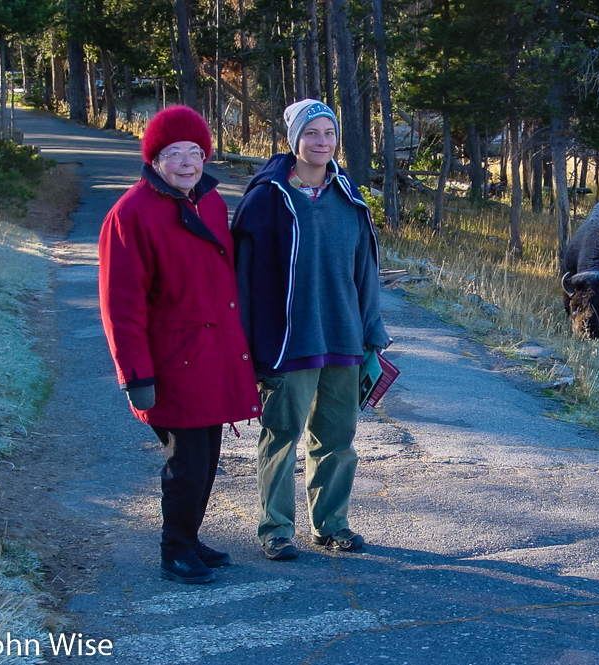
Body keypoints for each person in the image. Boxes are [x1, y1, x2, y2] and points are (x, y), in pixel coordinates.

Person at [98, 105, 261, 584]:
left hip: (214, 356)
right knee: (185, 462)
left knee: (206, 458)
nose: (188, 162)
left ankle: (188, 538)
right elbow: (120, 306)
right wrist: (135, 377)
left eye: (196, 151)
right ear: (155, 158)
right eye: (175, 153)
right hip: (171, 362)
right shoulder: (130, 214)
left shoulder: (209, 202)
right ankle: (174, 551)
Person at [232, 99, 390, 561]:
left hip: (343, 338)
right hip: (287, 342)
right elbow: (242, 282)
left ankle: (331, 524)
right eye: (312, 133)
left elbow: (366, 270)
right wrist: (246, 350)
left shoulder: (349, 197)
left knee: (337, 439)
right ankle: (276, 528)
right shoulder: (265, 199)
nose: (322, 142)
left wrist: (372, 337)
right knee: (280, 437)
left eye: (329, 133)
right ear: (293, 140)